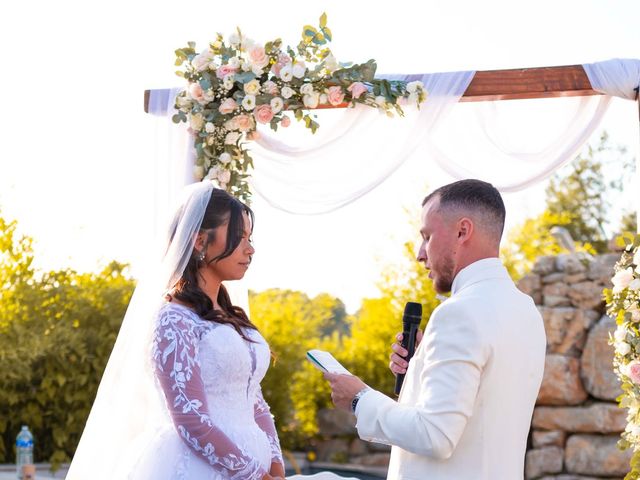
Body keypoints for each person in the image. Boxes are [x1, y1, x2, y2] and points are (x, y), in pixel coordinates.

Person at [325, 179, 546, 479]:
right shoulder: (526, 311)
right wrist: (420, 365)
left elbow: (436, 435)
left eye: (427, 236)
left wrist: (359, 398)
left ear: (462, 231)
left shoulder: (459, 313)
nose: (419, 253)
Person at [68, 182, 285, 480]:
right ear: (200, 241)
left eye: (250, 237)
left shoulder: (231, 316)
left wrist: (275, 465)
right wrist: (254, 475)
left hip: (259, 465)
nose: (250, 249)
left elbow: (253, 398)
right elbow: (190, 418)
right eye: (239, 236)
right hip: (200, 465)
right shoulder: (174, 319)